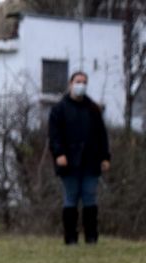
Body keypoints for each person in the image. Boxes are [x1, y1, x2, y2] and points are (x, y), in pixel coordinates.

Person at [48, 71, 111, 245]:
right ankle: (70, 238)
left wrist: (105, 157)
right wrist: (59, 154)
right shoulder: (59, 109)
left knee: (90, 197)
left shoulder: (93, 108)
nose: (80, 85)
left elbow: (101, 135)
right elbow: (54, 135)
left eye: (84, 82)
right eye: (78, 81)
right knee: (71, 198)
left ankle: (91, 237)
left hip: (91, 161)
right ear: (70, 83)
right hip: (69, 163)